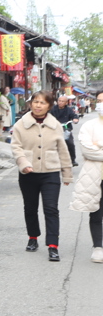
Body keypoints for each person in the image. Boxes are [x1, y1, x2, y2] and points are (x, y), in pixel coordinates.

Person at [11, 90, 73, 261]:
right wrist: (23, 164)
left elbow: (63, 150)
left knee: (51, 209)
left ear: (49, 106)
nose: (38, 105)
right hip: (28, 173)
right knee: (30, 208)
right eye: (35, 102)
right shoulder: (20, 124)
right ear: (30, 104)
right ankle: (33, 237)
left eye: (42, 103)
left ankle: (53, 245)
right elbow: (16, 147)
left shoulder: (56, 125)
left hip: (50, 172)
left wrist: (66, 174)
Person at [70, 91, 103, 263]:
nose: (100, 104)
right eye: (98, 101)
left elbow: (95, 150)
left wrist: (99, 145)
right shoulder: (89, 126)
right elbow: (87, 151)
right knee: (96, 213)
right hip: (94, 176)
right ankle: (98, 247)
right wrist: (95, 148)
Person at [50, 93, 79, 166]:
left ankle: (72, 160)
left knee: (70, 143)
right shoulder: (53, 109)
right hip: (54, 129)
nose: (60, 102)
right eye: (59, 100)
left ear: (66, 102)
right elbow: (48, 116)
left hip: (66, 129)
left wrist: (75, 119)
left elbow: (74, 116)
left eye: (62, 101)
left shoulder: (69, 110)